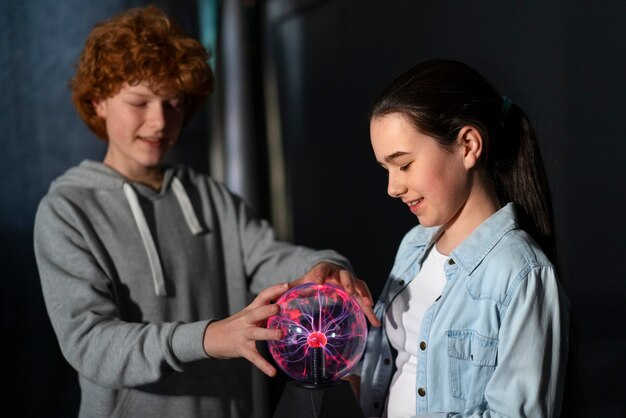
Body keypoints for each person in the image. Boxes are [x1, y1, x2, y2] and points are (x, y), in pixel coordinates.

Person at [33, 6, 377, 418]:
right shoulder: (67, 210)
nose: (160, 121)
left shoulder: (209, 196)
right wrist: (210, 338)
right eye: (139, 102)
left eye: (174, 103)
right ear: (98, 101)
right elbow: (91, 345)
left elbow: (274, 258)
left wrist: (324, 266)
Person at [354, 59, 570, 417]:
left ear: (468, 146)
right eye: (386, 169)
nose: (393, 188)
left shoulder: (521, 274)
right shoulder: (413, 246)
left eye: (404, 164)